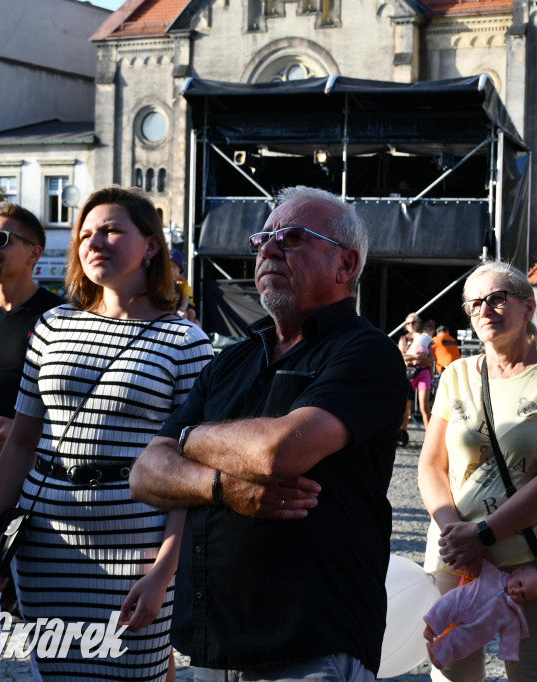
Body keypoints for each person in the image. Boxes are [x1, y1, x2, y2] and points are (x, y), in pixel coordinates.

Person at [129, 186, 407, 681]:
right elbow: (146, 474)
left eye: (292, 237)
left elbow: (278, 451)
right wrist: (220, 488)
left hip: (311, 644)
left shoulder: (366, 353)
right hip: (216, 646)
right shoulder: (233, 359)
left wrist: (188, 436)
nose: (269, 249)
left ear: (345, 265)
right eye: (263, 239)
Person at [0, 187, 213, 680]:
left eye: (111, 230)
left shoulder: (186, 342)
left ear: (150, 245)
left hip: (136, 547)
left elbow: (190, 472)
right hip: (47, 545)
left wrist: (163, 573)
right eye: (85, 233)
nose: (93, 241)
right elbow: (22, 443)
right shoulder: (53, 325)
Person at [417, 260, 537, 682]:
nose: (485, 310)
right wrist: (453, 531)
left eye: (497, 299)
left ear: (527, 307)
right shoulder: (455, 374)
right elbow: (431, 465)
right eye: (474, 304)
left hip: (526, 563)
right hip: (458, 561)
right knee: (453, 674)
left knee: (532, 674)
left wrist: (484, 534)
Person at [0, 203, 62, 681]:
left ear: (34, 253)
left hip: (41, 479)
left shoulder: (61, 320)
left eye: (1, 239)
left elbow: (86, 412)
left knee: (47, 611)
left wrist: (25, 433)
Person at [423, 559, 537, 670]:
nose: (517, 590)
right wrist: (468, 559)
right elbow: (482, 562)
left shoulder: (513, 614)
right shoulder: (495, 573)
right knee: (445, 605)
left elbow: (511, 635)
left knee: (461, 642)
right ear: (516, 573)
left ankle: (439, 654)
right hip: (464, 600)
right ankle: (431, 628)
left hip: (477, 629)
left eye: (523, 595)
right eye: (520, 583)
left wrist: (510, 654)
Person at [401, 312, 435, 439]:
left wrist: (412, 359)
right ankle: (402, 434)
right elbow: (401, 356)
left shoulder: (425, 338)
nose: (411, 325)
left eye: (413, 322)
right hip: (409, 374)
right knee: (406, 407)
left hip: (423, 372)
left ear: (419, 323)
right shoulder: (404, 339)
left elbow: (431, 359)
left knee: (424, 406)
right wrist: (416, 357)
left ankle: (431, 438)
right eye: (408, 323)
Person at [169, 248, 192, 315]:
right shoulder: (161, 283)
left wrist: (182, 308)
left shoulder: (182, 283)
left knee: (191, 313)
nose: (171, 270)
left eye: (173, 266)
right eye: (168, 267)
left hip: (181, 308)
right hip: (167, 309)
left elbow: (186, 297)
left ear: (180, 268)